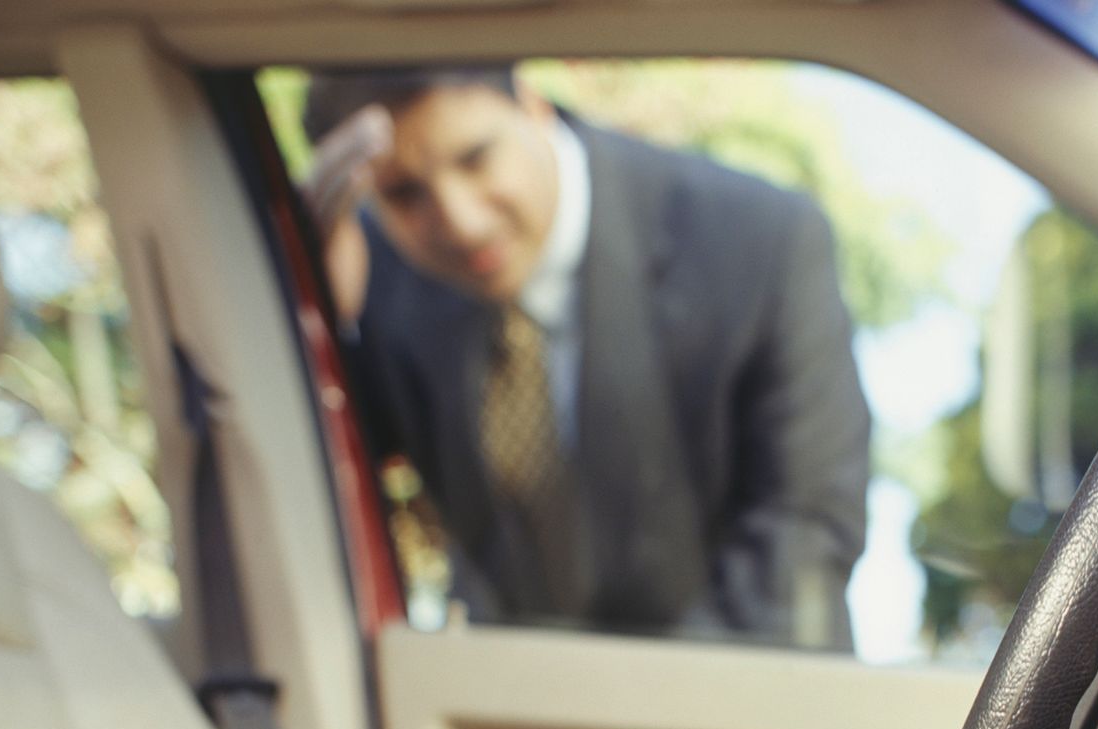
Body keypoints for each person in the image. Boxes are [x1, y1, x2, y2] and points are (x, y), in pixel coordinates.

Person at [301, 67, 871, 649]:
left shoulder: (758, 239)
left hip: (739, 703)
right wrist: (319, 313)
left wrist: (631, 715)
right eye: (404, 193)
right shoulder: (378, 273)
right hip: (501, 711)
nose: (461, 222)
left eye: (475, 159)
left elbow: (803, 533)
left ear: (531, 104)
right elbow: (327, 486)